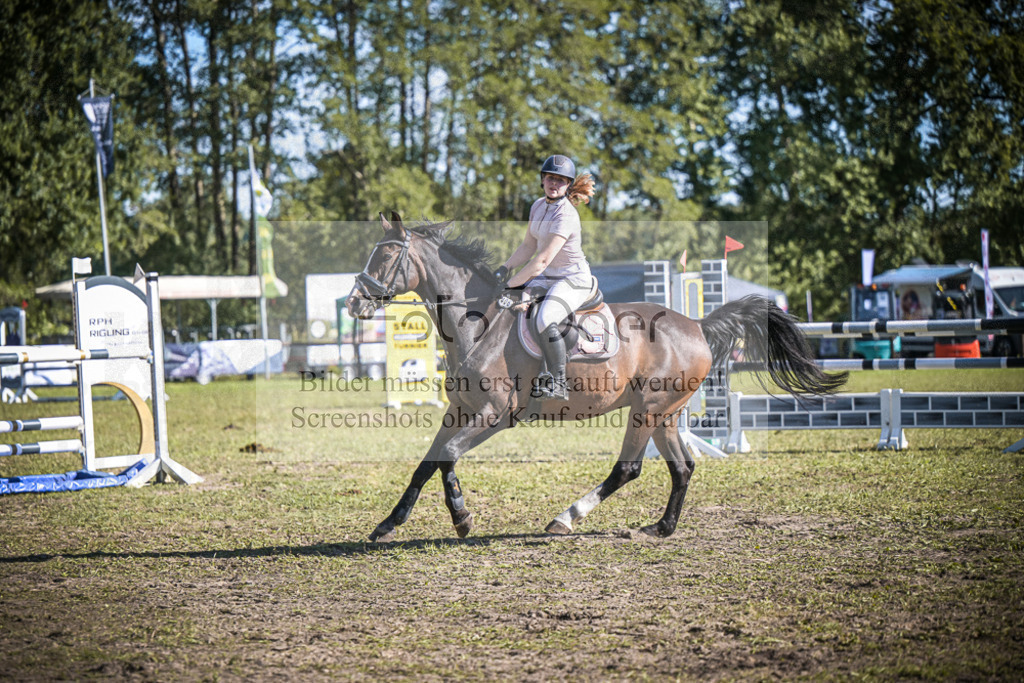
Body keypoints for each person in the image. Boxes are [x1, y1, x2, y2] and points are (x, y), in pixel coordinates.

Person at [494, 154, 595, 400]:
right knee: (512, 308)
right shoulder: (538, 205)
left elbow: (540, 261)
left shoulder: (567, 214)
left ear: (568, 185)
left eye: (561, 180)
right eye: (551, 178)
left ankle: (558, 381)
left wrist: (510, 286)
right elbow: (529, 246)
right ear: (543, 179)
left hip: (573, 279)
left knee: (544, 318)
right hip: (548, 277)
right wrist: (505, 268)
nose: (554, 183)